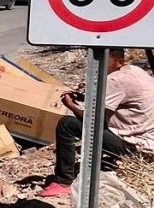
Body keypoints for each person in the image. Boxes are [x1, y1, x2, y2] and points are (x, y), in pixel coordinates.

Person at [40, 49, 154, 198]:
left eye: (103, 61)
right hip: (148, 139)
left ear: (119, 62)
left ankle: (64, 182)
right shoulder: (135, 70)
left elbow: (94, 120)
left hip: (135, 148)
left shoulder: (115, 80)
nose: (97, 65)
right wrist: (81, 97)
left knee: (67, 124)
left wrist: (71, 106)